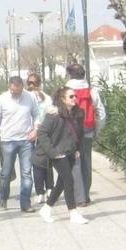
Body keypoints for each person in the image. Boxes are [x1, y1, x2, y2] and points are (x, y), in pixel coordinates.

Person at [36, 87, 89, 225]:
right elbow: (42, 133)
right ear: (63, 99)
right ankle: (73, 212)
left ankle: (46, 208)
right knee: (69, 181)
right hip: (58, 154)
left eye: (75, 96)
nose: (74, 99)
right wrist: (52, 152)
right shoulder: (54, 114)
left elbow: (79, 133)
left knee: (61, 183)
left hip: (70, 151)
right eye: (71, 97)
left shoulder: (77, 113)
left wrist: (77, 149)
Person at [0, 76, 40, 212]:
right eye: (13, 91)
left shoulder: (30, 97)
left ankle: (25, 203)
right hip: (7, 140)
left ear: (22, 87)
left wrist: (36, 130)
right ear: (9, 87)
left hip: (26, 140)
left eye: (18, 91)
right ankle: (3, 198)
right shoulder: (1, 99)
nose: (15, 93)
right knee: (5, 172)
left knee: (27, 172)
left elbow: (37, 115)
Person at [65, 63, 106, 207]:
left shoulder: (66, 90)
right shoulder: (91, 91)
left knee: (74, 164)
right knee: (86, 163)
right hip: (88, 130)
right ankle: (86, 195)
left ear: (70, 75)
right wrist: (97, 130)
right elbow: (101, 113)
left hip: (70, 133)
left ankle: (79, 196)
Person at [26, 73, 55, 204]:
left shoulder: (28, 97)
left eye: (31, 82)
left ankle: (43, 190)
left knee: (39, 164)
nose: (31, 85)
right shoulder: (46, 98)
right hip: (42, 133)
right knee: (45, 163)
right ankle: (47, 189)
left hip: (36, 134)